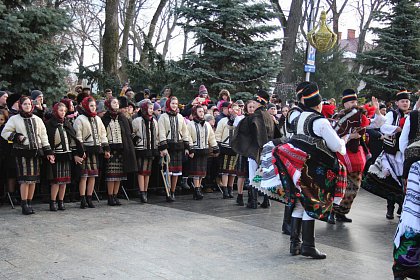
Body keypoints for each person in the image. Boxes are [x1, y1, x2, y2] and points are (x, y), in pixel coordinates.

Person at [273, 82, 347, 259]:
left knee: (300, 203)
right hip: (314, 168)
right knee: (311, 203)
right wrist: (344, 142)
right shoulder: (319, 121)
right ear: (319, 103)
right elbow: (336, 145)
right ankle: (308, 245)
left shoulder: (297, 118)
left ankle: (295, 244)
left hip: (297, 166)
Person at [1, 96, 55, 215]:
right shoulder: (14, 119)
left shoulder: (37, 119)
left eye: (29, 104)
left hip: (35, 153)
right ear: (21, 105)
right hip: (22, 153)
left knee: (33, 180)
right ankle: (24, 203)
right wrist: (16, 137)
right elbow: (5, 132)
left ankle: (30, 202)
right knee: (25, 180)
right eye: (24, 104)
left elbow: (43, 136)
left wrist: (48, 152)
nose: (27, 106)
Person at [364, 89, 411, 219]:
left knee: (403, 181)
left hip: (403, 154)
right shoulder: (393, 114)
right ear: (397, 103)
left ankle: (402, 207)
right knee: (391, 181)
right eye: (402, 101)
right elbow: (384, 127)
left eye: (407, 101)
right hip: (390, 154)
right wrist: (398, 129)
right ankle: (390, 208)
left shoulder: (411, 115)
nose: (405, 103)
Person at [329, 89, 370, 223]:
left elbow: (370, 125)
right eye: (351, 101)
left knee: (354, 185)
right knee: (339, 185)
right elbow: (334, 135)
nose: (354, 104)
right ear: (345, 104)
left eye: (355, 101)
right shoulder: (338, 117)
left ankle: (342, 211)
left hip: (355, 154)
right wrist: (350, 136)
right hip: (342, 153)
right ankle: (332, 211)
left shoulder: (358, 115)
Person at [45, 103, 84, 211]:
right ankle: (53, 202)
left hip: (66, 155)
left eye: (64, 111)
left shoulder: (67, 123)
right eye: (60, 110)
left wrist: (75, 154)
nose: (62, 112)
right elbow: (47, 139)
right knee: (56, 181)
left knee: (64, 181)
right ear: (55, 111)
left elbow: (72, 140)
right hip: (56, 155)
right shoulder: (49, 124)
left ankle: (61, 201)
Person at [74, 96, 110, 209]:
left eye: (94, 106)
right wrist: (80, 151)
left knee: (93, 175)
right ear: (85, 106)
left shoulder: (98, 119)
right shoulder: (80, 119)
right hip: (85, 150)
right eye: (91, 106)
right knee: (84, 176)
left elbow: (103, 134)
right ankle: (83, 198)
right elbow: (77, 136)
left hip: (95, 150)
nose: (93, 108)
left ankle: (90, 197)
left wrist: (106, 148)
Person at [102, 97, 138, 206]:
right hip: (111, 150)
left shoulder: (122, 117)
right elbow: (103, 134)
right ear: (109, 104)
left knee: (119, 175)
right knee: (111, 175)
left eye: (117, 102)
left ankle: (115, 195)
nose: (116, 104)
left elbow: (128, 133)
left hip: (122, 149)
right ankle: (110, 196)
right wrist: (106, 148)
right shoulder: (105, 118)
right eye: (114, 102)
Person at [158, 96, 191, 202]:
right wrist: (163, 147)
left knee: (176, 172)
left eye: (176, 104)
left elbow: (185, 132)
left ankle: (172, 191)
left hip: (178, 146)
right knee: (168, 171)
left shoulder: (180, 117)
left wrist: (187, 146)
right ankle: (167, 191)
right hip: (168, 146)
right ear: (168, 104)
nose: (174, 105)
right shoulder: (163, 117)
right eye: (172, 103)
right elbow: (161, 132)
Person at [187, 105, 219, 200]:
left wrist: (215, 147)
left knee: (202, 173)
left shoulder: (207, 125)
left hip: (204, 150)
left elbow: (211, 137)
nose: (201, 113)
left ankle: (199, 188)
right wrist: (190, 148)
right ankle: (196, 189)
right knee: (196, 172)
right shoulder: (190, 124)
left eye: (202, 111)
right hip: (195, 151)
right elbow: (188, 137)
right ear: (195, 112)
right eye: (199, 111)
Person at [132, 100, 159, 203]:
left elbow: (156, 135)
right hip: (141, 149)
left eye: (152, 109)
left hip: (151, 149)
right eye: (150, 108)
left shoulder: (154, 121)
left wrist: (157, 147)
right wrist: (138, 140)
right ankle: (142, 191)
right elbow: (133, 133)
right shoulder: (137, 120)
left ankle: (145, 191)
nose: (151, 110)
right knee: (141, 171)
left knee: (147, 171)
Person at [215, 103, 240, 199]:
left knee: (233, 170)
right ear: (229, 110)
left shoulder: (239, 120)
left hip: (235, 148)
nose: (234, 111)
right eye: (232, 109)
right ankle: (225, 189)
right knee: (225, 170)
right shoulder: (223, 121)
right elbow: (218, 133)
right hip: (225, 147)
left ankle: (230, 188)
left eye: (236, 110)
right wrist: (217, 144)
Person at [233, 100, 255, 206]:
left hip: (253, 150)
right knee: (241, 174)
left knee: (253, 174)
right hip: (243, 149)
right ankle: (240, 195)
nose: (251, 109)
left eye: (253, 107)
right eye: (249, 107)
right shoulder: (241, 118)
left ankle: (252, 196)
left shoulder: (257, 119)